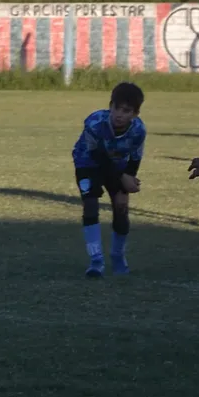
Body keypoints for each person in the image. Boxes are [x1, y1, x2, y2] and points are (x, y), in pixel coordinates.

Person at [72, 82, 146, 278]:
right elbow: (97, 156)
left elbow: (135, 158)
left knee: (121, 207)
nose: (119, 114)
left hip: (117, 166)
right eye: (116, 108)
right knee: (90, 204)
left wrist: (129, 177)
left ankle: (117, 256)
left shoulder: (139, 130)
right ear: (110, 105)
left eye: (126, 110)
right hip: (87, 163)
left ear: (135, 114)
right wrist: (122, 177)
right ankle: (96, 261)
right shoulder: (95, 123)